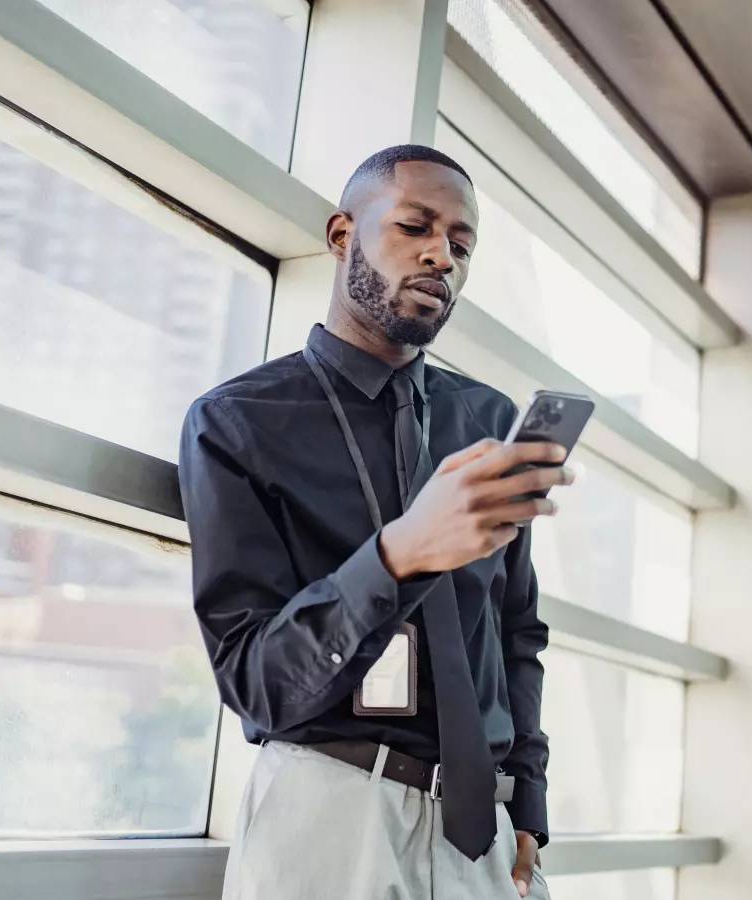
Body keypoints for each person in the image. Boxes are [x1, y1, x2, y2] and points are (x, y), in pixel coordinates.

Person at [179, 144, 572, 899]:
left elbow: (515, 629)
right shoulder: (237, 424)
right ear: (341, 235)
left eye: (461, 245)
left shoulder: (486, 418)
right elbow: (256, 683)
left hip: (482, 836)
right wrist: (396, 555)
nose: (440, 257)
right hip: (331, 819)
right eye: (414, 227)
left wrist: (528, 798)